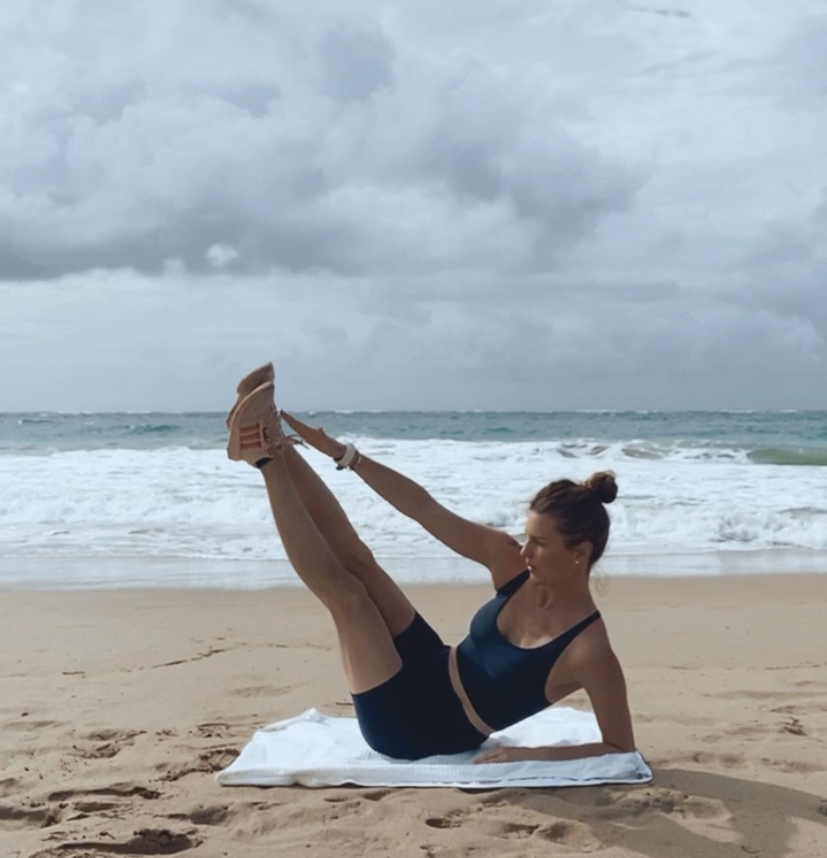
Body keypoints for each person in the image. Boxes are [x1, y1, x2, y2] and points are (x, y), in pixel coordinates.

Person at [226, 363, 635, 762]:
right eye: (528, 536)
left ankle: (262, 458)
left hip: (417, 727)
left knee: (350, 598)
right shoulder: (513, 565)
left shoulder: (589, 649)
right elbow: (425, 509)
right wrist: (344, 454)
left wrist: (528, 754)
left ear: (579, 551)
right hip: (430, 662)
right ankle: (271, 438)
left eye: (540, 544)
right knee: (360, 562)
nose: (525, 551)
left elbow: (620, 747)